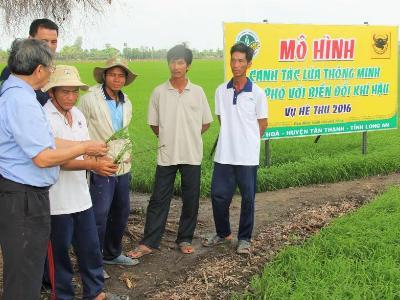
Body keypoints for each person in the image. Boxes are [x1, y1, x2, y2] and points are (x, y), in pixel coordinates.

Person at [0, 39, 107, 300]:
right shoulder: (22, 101)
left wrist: (86, 146)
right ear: (39, 70)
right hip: (23, 198)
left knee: (27, 270)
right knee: (25, 274)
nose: (50, 72)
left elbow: (45, 141)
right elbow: (44, 156)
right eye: (50, 68)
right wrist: (84, 147)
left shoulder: (16, 95)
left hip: (23, 196)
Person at [43, 65, 127, 300]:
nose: (71, 97)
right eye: (65, 92)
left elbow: (85, 151)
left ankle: (95, 293)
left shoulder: (78, 115)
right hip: (56, 201)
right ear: (52, 92)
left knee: (90, 249)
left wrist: (103, 157)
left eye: (74, 92)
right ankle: (62, 295)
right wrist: (93, 165)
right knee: (59, 255)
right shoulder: (44, 117)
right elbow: (56, 161)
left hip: (81, 197)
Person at [128, 44, 213, 259]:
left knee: (191, 198)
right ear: (169, 64)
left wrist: (188, 136)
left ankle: (185, 238)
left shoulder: (198, 92)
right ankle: (150, 242)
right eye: (173, 61)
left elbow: (205, 123)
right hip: (167, 154)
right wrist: (170, 137)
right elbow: (154, 125)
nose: (176, 66)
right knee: (159, 198)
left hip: (192, 154)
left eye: (181, 62)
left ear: (188, 66)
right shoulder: (159, 92)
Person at [202, 43, 268, 254]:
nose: (236, 64)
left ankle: (245, 239)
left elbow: (262, 124)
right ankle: (223, 234)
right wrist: (233, 138)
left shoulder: (257, 93)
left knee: (248, 198)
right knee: (218, 196)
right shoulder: (221, 91)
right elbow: (223, 118)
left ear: (249, 64)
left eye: (241, 61)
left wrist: (247, 142)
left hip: (247, 157)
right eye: (233, 60)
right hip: (225, 154)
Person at [78, 58, 138, 268]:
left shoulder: (126, 101)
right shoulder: (90, 99)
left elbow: (125, 132)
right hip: (100, 165)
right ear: (104, 76)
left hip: (122, 165)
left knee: (120, 212)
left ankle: (112, 253)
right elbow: (80, 131)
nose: (117, 79)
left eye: (121, 75)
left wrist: (128, 151)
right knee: (98, 215)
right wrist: (91, 158)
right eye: (112, 74)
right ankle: (93, 262)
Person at [0, 18, 59, 106]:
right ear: (30, 40)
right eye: (44, 41)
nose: (49, 46)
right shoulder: (15, 70)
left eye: (53, 42)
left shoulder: (55, 71)